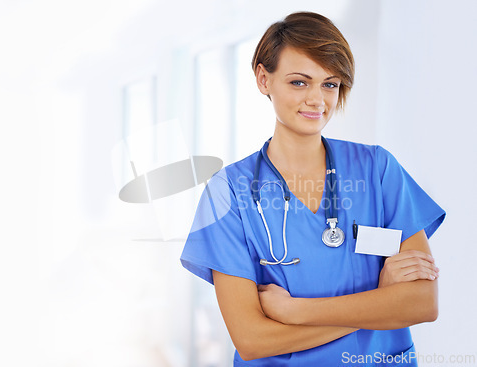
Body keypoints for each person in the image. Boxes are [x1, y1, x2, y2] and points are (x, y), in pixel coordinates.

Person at [180, 11, 445, 366]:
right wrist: (380, 302)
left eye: (330, 84)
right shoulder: (228, 192)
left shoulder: (378, 170)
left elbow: (422, 303)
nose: (317, 100)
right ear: (263, 78)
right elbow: (253, 340)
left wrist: (294, 311)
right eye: (299, 82)